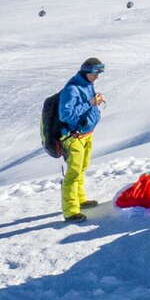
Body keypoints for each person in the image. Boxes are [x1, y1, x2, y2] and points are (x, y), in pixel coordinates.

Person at [55, 57, 105, 222]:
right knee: (73, 172)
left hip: (85, 134)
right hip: (73, 136)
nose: (98, 76)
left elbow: (86, 104)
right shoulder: (72, 89)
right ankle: (70, 211)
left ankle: (81, 200)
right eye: (96, 72)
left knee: (82, 168)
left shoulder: (87, 85)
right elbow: (65, 115)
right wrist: (90, 102)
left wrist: (94, 100)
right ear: (87, 71)